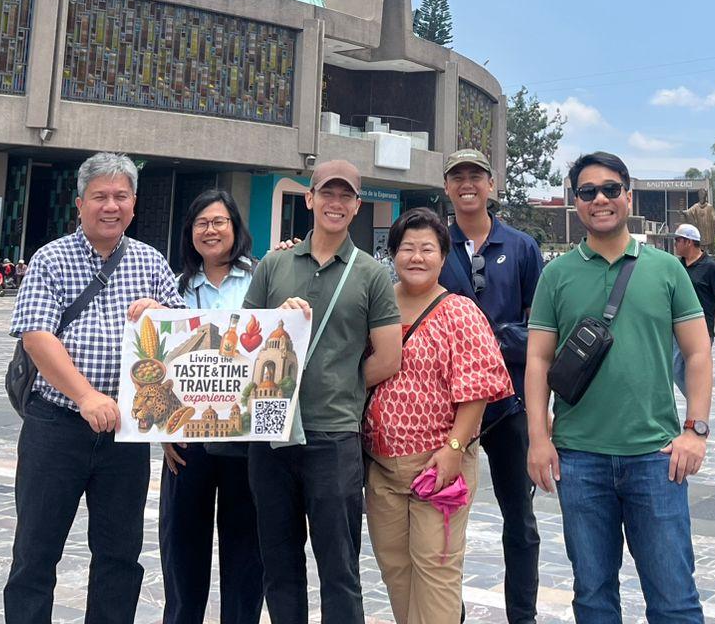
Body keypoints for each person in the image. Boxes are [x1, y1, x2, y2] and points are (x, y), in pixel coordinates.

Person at [526, 151, 712, 624]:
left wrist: (695, 429)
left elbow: (697, 353)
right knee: (592, 596)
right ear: (575, 202)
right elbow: (538, 360)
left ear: (627, 195)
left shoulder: (667, 270)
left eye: (611, 189)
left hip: (655, 457)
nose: (601, 199)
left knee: (674, 597)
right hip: (580, 458)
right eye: (588, 192)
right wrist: (539, 440)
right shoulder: (557, 275)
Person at [4, 152, 184, 624]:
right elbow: (37, 335)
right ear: (80, 203)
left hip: (124, 434)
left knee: (120, 555)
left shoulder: (150, 262)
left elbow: (187, 341)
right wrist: (85, 396)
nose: (111, 206)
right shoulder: (51, 259)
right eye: (100, 196)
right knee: (35, 552)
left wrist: (163, 317)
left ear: (134, 203)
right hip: (57, 425)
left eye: (120, 196)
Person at [243, 159, 402, 624]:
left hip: (333, 438)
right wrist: (279, 320)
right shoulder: (274, 264)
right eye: (326, 194)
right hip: (271, 436)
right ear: (309, 199)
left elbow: (388, 358)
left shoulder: (372, 274)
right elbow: (245, 342)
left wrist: (340, 383)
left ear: (356, 206)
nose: (335, 203)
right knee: (279, 563)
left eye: (345, 196)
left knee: (339, 569)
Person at [366, 207, 514, 624]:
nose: (417, 257)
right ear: (392, 253)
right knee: (396, 570)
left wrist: (453, 448)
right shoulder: (377, 305)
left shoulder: (459, 311)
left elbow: (478, 387)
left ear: (443, 256)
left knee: (436, 572)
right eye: (407, 248)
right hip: (381, 465)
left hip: (438, 464)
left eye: (427, 249)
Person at [435, 148, 543, 624]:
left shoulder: (520, 247)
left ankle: (524, 615)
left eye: (475, 176)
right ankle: (447, 612)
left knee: (519, 520)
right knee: (442, 518)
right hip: (449, 410)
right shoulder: (435, 245)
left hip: (510, 406)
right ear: (447, 187)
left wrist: (488, 339)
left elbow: (542, 329)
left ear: (491, 184)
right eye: (457, 177)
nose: (467, 185)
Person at [158, 190, 263, 624]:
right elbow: (158, 361)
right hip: (187, 442)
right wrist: (163, 429)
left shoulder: (263, 278)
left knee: (246, 551)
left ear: (236, 228)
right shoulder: (173, 287)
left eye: (219, 221)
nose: (211, 230)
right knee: (182, 551)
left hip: (246, 439)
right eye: (201, 223)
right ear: (191, 233)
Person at [670, 223, 715, 393]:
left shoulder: (710, 266)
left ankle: (697, 407)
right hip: (677, 327)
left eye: (678, 240)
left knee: (695, 370)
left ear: (688, 242)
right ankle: (696, 406)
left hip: (702, 329)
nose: (675, 244)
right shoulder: (677, 266)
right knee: (675, 368)